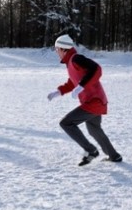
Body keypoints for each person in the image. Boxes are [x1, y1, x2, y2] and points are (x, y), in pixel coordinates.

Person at [47, 34, 122, 166]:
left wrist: (81, 86)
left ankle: (91, 151)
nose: (56, 52)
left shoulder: (76, 58)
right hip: (93, 101)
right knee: (94, 129)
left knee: (66, 123)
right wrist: (59, 91)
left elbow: (96, 69)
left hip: (94, 102)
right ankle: (114, 156)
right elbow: (73, 82)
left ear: (63, 49)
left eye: (57, 49)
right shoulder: (70, 62)